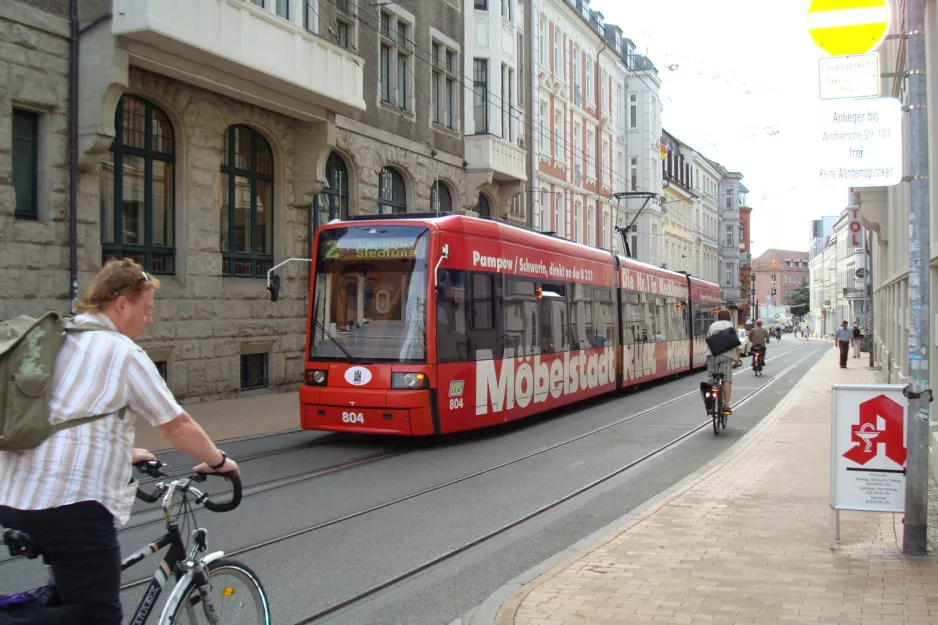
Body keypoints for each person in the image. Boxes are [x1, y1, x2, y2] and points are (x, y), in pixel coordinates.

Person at [0, 258, 242, 625]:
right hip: (70, 507)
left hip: (14, 497)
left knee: (70, 601)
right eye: (146, 310)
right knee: (99, 617)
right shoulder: (120, 352)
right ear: (121, 304)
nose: (150, 319)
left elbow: (57, 417)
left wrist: (123, 451)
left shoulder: (58, 338)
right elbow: (177, 425)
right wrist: (219, 461)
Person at [706, 308, 741, 415]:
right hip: (727, 356)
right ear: (729, 317)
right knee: (727, 379)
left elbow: (707, 340)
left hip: (713, 355)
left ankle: (711, 403)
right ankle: (726, 404)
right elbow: (736, 345)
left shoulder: (712, 326)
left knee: (712, 379)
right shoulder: (731, 326)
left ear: (718, 317)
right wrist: (737, 360)